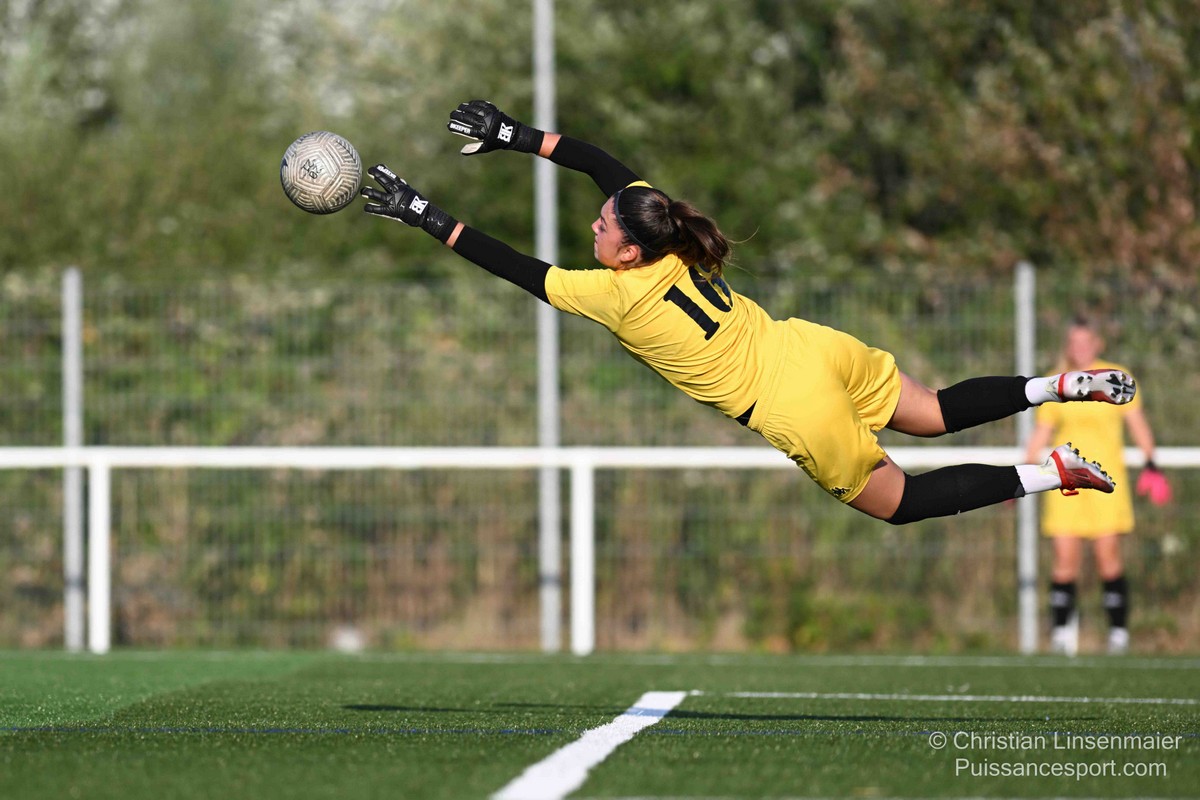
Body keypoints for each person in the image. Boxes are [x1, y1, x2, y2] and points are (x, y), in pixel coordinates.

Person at [360, 99, 1136, 525]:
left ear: (628, 252)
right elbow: (600, 164)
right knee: (932, 411)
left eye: (602, 227)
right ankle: (1057, 387)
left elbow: (518, 270)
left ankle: (1052, 471)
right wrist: (513, 134)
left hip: (790, 405)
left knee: (900, 502)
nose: (594, 224)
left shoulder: (617, 296)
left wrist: (425, 215)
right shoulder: (668, 232)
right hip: (809, 347)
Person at [1023, 318, 1169, 655]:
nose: (1079, 348)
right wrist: (1024, 473)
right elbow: (1042, 433)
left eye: (1085, 341)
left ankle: (1118, 633)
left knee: (1109, 557)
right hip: (1066, 483)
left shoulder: (1116, 377)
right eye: (1073, 342)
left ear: (1097, 343)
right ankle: (1061, 633)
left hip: (1107, 484)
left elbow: (1137, 423)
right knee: (1064, 558)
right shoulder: (1057, 380)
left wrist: (1152, 464)